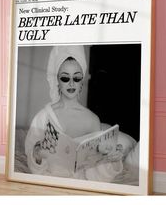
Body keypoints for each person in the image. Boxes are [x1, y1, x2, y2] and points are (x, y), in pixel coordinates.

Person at [25, 45, 138, 183]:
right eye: (65, 78)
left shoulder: (92, 120)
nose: (71, 83)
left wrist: (110, 161)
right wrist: (37, 155)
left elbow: (93, 177)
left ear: (82, 82)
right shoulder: (43, 117)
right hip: (48, 183)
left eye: (77, 78)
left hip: (80, 187)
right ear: (57, 81)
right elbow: (34, 167)